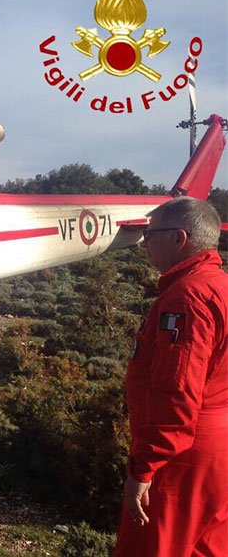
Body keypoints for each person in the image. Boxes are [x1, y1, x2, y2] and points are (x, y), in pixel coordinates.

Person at [115, 196, 228, 557]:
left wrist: (145, 468)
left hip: (182, 456)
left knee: (153, 547)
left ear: (179, 239)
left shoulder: (188, 297)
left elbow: (176, 393)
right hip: (217, 449)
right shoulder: (219, 285)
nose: (145, 243)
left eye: (151, 235)